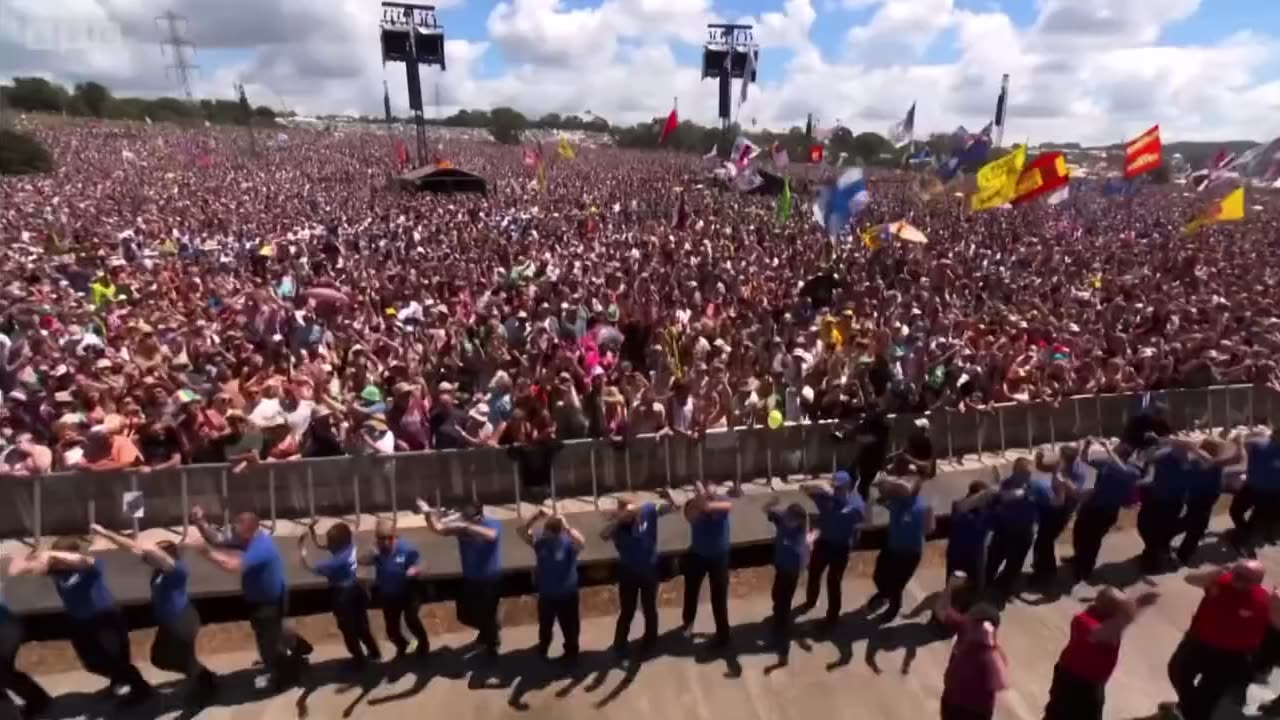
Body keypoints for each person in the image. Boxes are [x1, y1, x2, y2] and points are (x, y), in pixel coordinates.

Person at [8, 538, 153, 705]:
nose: (56, 563)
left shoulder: (92, 566)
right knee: (92, 663)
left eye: (60, 559)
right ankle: (119, 679)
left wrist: (51, 554)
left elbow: (81, 560)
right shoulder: (56, 571)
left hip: (105, 619)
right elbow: (18, 571)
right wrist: (19, 559)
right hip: (79, 623)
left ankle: (141, 690)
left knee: (117, 660)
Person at [90, 523, 217, 702]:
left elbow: (154, 554)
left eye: (153, 555)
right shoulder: (159, 568)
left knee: (183, 658)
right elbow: (132, 548)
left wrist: (149, 547)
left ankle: (205, 685)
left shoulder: (177, 570)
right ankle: (202, 677)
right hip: (169, 622)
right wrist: (106, 533)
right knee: (159, 658)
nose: (147, 558)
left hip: (181, 622)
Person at [190, 506, 312, 688]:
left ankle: (287, 676)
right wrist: (200, 522)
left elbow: (232, 565)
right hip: (264, 599)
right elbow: (217, 539)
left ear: (247, 532)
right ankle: (298, 647)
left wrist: (206, 553)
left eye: (236, 530)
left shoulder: (260, 548)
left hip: (269, 603)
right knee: (276, 632)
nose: (232, 533)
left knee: (268, 649)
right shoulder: (249, 538)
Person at [1160, 560, 1280, 720]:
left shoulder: (1264, 601)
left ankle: (1189, 712)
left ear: (1258, 582)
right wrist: (1209, 575)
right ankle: (1186, 708)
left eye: (1247, 579)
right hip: (1198, 643)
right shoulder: (1218, 583)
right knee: (1177, 671)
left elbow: (1276, 625)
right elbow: (1189, 579)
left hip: (1231, 656)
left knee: (1208, 695)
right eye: (1238, 575)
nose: (1240, 581)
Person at [1043, 587, 1159, 720]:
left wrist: (1135, 606)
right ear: (1102, 604)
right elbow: (1105, 633)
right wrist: (1136, 607)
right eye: (1116, 606)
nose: (1119, 610)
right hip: (1072, 682)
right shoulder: (1083, 621)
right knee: (1058, 715)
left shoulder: (1111, 620)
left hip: (1093, 684)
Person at [419, 498, 502, 658]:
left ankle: (492, 648)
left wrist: (466, 526)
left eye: (470, 518)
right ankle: (488, 630)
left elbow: (492, 536)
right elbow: (437, 528)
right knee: (463, 614)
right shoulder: (462, 529)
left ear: (479, 517)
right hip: (470, 579)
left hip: (489, 580)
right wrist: (428, 513)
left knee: (487, 615)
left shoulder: (491, 524)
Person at [601, 492, 677, 659]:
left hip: (649, 570)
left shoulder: (648, 511)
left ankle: (650, 642)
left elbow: (672, 508)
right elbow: (604, 535)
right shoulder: (617, 526)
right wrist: (620, 520)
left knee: (649, 608)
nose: (632, 515)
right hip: (628, 573)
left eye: (632, 511)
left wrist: (669, 498)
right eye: (626, 511)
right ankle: (620, 644)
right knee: (627, 610)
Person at [299, 521, 381, 666]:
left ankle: (359, 659)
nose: (328, 545)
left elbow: (309, 566)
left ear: (336, 545)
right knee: (362, 626)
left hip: (343, 595)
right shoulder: (350, 548)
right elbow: (324, 546)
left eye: (330, 543)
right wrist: (313, 534)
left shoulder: (336, 563)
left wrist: (302, 551)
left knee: (348, 630)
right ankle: (374, 652)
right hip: (357, 590)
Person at [933, 574, 1008, 720]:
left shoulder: (964, 627)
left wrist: (950, 587)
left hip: (954, 704)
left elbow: (940, 609)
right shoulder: (997, 655)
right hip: (979, 712)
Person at [797, 471, 866, 628]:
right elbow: (803, 488)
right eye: (834, 486)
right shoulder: (825, 497)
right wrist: (821, 485)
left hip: (841, 547)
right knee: (814, 573)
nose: (836, 490)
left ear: (848, 486)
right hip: (824, 543)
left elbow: (862, 520)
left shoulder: (855, 504)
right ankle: (811, 601)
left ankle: (832, 618)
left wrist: (854, 538)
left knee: (833, 582)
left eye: (839, 487)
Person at [518, 508, 585, 663]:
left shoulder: (568, 544)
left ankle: (571, 653)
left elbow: (581, 543)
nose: (543, 532)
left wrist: (566, 526)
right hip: (547, 594)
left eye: (546, 531)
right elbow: (522, 532)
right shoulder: (541, 543)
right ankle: (543, 647)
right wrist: (535, 517)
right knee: (545, 625)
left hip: (567, 594)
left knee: (570, 627)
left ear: (556, 532)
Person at [986, 458, 1059, 597]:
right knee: (993, 560)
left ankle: (1004, 587)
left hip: (1024, 534)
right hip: (1003, 532)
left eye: (1029, 474)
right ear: (1014, 472)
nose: (1027, 478)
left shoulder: (1036, 487)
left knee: (1015, 564)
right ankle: (985, 583)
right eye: (1024, 474)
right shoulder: (1003, 486)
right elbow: (990, 505)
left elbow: (1051, 504)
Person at [1071, 439, 1143, 582]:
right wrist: (1086, 446)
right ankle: (1078, 558)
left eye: (1117, 448)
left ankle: (1084, 570)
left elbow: (1122, 470)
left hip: (1106, 511)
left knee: (1092, 540)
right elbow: (1084, 460)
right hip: (1091, 506)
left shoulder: (1133, 470)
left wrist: (1107, 449)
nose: (1114, 448)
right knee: (1079, 533)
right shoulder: (1106, 463)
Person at [867, 475, 934, 622]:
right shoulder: (896, 501)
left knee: (896, 584)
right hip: (891, 548)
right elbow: (883, 494)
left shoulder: (923, 509)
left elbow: (929, 530)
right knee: (878, 576)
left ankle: (893, 609)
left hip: (909, 553)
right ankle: (884, 594)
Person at [360, 519, 429, 657]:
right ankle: (405, 646)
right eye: (382, 539)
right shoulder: (377, 551)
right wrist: (371, 553)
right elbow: (360, 561)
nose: (386, 542)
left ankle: (423, 645)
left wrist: (415, 570)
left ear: (394, 536)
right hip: (389, 595)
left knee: (411, 619)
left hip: (408, 591)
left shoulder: (406, 549)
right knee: (391, 631)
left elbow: (423, 565)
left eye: (389, 538)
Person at [680, 481, 734, 648]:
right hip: (697, 554)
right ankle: (688, 622)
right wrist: (700, 499)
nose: (710, 494)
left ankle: (723, 634)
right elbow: (691, 516)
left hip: (719, 557)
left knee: (719, 596)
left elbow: (718, 509)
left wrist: (705, 498)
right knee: (691, 591)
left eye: (712, 491)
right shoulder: (692, 505)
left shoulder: (723, 501)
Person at [763, 497, 814, 664]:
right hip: (780, 566)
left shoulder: (800, 534)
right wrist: (771, 504)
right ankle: (779, 619)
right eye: (787, 516)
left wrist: (804, 568)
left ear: (797, 521)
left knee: (783, 600)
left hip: (791, 571)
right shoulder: (781, 520)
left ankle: (781, 634)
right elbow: (766, 510)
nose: (787, 520)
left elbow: (806, 554)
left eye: (791, 519)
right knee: (777, 595)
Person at [1176, 436, 1241, 565]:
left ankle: (1164, 540)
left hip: (1195, 497)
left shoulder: (1196, 460)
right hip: (1203, 498)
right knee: (1198, 527)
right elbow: (1237, 459)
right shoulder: (1212, 462)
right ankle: (1184, 554)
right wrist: (1239, 444)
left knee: (1190, 521)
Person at [0, 560, 52, 718]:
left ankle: (37, 701)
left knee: (2, 674)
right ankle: (39, 699)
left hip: (6, 628)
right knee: (4, 674)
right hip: (8, 626)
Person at [1031, 443, 1086, 584]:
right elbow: (1043, 467)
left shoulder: (1070, 474)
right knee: (1044, 540)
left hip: (1060, 511)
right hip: (1058, 508)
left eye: (1061, 454)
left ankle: (1045, 573)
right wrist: (1039, 458)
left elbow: (1070, 497)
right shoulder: (1065, 465)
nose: (1058, 457)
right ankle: (1044, 568)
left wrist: (1061, 488)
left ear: (1066, 457)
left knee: (1044, 541)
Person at [1140, 442, 1195, 573]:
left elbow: (1148, 479)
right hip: (1166, 500)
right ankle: (1158, 554)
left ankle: (1156, 559)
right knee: (1160, 531)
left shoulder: (1159, 457)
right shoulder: (1168, 457)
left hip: (1165, 501)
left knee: (1156, 531)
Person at [1229, 426, 1280, 556]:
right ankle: (1247, 536)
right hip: (1263, 489)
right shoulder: (1258, 442)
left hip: (1263, 489)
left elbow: (1239, 447)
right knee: (1242, 512)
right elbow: (1238, 443)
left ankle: (1244, 539)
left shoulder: (1259, 442)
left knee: (1244, 513)